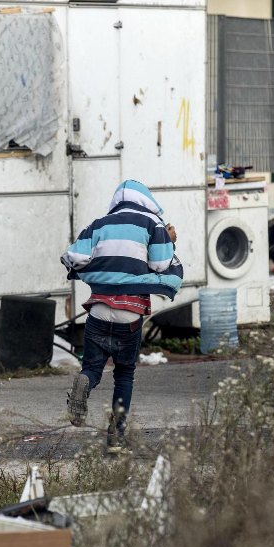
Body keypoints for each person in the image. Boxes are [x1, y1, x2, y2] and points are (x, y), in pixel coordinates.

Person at [61, 179, 183, 454]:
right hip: (130, 315)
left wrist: (103, 265)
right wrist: (170, 242)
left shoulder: (99, 224)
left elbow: (73, 257)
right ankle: (115, 438)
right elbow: (161, 265)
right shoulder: (154, 225)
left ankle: (85, 383)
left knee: (92, 368)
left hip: (99, 312)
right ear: (147, 201)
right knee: (124, 374)